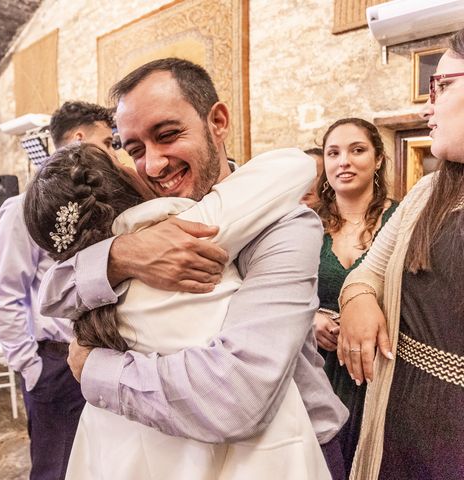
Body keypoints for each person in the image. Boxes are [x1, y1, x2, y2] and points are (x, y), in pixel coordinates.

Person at [38, 58, 348, 479]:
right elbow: (53, 292)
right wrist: (121, 256)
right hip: (169, 446)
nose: (154, 164)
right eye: (134, 150)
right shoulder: (133, 221)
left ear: (217, 121)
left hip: (284, 450)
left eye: (168, 136)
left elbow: (236, 396)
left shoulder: (286, 223)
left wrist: (96, 369)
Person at [338, 29, 464, 480]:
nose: (427, 107)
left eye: (443, 86)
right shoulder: (432, 191)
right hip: (402, 412)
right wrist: (356, 299)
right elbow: (367, 271)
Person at [0, 100, 120, 480]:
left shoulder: (99, 199)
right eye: (108, 142)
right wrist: (32, 367)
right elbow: (5, 295)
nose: (113, 152)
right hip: (56, 364)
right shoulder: (24, 206)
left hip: (105, 358)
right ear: (79, 139)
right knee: (55, 467)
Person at [313, 118, 398, 476]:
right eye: (334, 153)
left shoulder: (402, 220)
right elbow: (280, 292)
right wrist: (310, 319)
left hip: (380, 369)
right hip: (319, 367)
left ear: (378, 159)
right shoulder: (306, 224)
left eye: (357, 150)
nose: (343, 161)